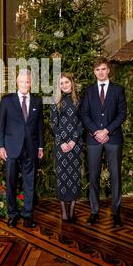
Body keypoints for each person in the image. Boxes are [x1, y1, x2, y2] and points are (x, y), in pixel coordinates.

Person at [81, 57, 127, 227]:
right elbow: (84, 114)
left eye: (103, 69)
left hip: (113, 138)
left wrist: (107, 130)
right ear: (94, 72)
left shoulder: (118, 90)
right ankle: (94, 212)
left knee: (115, 176)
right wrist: (95, 132)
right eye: (97, 70)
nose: (100, 72)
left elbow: (122, 113)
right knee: (93, 176)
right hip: (93, 140)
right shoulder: (88, 91)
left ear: (108, 70)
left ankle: (116, 212)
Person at [0, 69, 44, 228]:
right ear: (17, 82)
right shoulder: (6, 100)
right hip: (11, 148)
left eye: (28, 81)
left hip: (30, 148)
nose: (25, 84)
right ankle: (12, 214)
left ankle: (28, 214)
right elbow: (1, 125)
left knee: (29, 182)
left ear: (31, 83)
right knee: (11, 182)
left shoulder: (37, 101)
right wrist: (1, 146)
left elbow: (40, 125)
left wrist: (40, 146)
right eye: (22, 81)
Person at [51, 73, 83, 223]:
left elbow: (81, 122)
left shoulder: (79, 100)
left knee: (75, 176)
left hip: (76, 145)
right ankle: (63, 209)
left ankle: (72, 209)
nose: (64, 85)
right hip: (61, 145)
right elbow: (54, 124)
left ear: (72, 82)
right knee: (62, 177)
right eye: (61, 83)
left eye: (66, 82)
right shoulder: (56, 101)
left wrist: (74, 141)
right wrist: (62, 142)